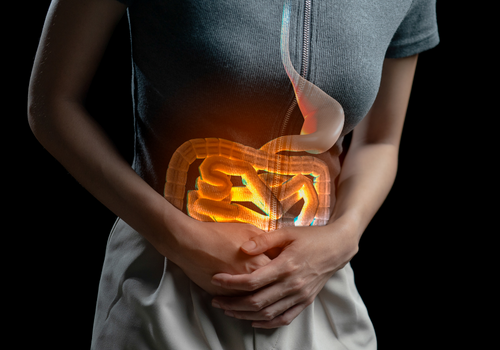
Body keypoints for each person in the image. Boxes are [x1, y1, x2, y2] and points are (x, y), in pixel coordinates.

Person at [28, 0, 439, 349]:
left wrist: (344, 237)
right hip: (166, 278)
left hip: (314, 288)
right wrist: (182, 240)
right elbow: (53, 104)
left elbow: (379, 141)